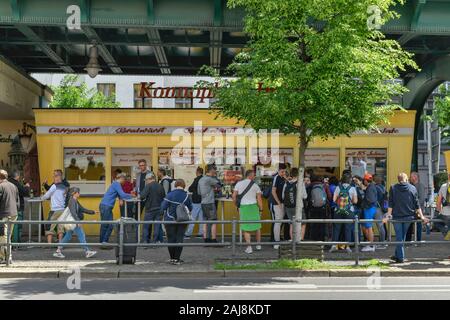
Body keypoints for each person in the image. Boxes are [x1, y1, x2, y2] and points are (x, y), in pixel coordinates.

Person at [383, 173, 428, 263]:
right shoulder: (413, 188)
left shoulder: (393, 188)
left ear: (398, 179)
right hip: (409, 217)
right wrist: (422, 216)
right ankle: (397, 255)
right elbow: (417, 204)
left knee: (399, 237)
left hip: (397, 217)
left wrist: (388, 216)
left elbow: (390, 203)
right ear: (406, 179)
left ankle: (401, 258)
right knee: (401, 237)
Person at [53, 187, 97, 259]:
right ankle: (87, 251)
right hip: (74, 221)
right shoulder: (72, 201)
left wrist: (92, 212)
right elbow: (73, 212)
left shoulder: (75, 201)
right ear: (75, 193)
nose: (79, 194)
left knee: (68, 236)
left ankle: (58, 251)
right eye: (78, 192)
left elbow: (82, 209)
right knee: (81, 235)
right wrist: (77, 221)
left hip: (73, 221)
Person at [161, 179, 193, 265]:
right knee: (179, 239)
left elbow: (163, 207)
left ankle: (172, 258)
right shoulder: (186, 195)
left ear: (175, 185)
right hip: (182, 220)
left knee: (171, 239)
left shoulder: (170, 194)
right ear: (184, 185)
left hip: (170, 220)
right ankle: (177, 258)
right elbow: (190, 208)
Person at [233, 170, 263, 254]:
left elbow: (234, 196)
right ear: (250, 176)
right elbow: (259, 199)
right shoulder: (256, 185)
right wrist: (261, 209)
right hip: (253, 206)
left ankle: (249, 247)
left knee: (246, 228)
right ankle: (258, 244)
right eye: (254, 175)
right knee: (257, 226)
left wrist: (236, 206)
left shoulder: (239, 184)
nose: (254, 177)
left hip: (244, 207)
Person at [99, 173, 134, 246]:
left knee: (106, 225)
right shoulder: (117, 184)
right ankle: (103, 242)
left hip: (105, 205)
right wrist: (132, 196)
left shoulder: (114, 184)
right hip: (106, 206)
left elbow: (119, 194)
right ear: (122, 178)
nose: (125, 182)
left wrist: (121, 198)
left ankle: (103, 242)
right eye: (124, 180)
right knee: (108, 225)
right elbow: (123, 194)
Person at [329, 173, 358, 253]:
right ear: (350, 180)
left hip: (338, 210)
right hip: (349, 211)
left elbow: (334, 200)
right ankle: (347, 247)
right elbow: (355, 201)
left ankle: (334, 245)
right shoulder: (352, 188)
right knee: (348, 228)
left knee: (336, 228)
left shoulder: (338, 188)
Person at [41, 170, 69, 244]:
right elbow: (61, 197)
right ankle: (60, 243)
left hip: (54, 210)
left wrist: (42, 198)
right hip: (62, 210)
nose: (53, 178)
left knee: (50, 226)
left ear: (58, 177)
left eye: (54, 176)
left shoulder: (54, 186)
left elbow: (47, 195)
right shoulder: (65, 187)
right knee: (61, 228)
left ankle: (49, 244)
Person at [282, 168, 307, 241]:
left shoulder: (286, 183)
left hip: (289, 207)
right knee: (303, 223)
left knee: (291, 224)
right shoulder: (300, 183)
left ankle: (292, 239)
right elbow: (305, 196)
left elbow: (283, 196)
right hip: (298, 206)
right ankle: (300, 239)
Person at [198, 164, 221, 243]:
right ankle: (213, 239)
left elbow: (199, 192)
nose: (215, 172)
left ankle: (206, 239)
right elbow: (219, 184)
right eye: (215, 170)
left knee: (205, 221)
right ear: (212, 170)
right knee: (213, 221)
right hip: (210, 203)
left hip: (203, 202)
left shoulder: (201, 179)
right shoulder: (210, 179)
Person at [140, 173, 165, 245]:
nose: (146, 181)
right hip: (159, 209)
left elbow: (142, 196)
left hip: (150, 209)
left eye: (146, 180)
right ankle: (155, 242)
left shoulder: (148, 186)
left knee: (146, 226)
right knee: (157, 226)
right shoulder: (160, 186)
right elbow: (164, 196)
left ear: (149, 179)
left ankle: (145, 242)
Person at [0, 170, 18, 264]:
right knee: (8, 236)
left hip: (4, 215)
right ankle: (5, 257)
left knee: (3, 236)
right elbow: (17, 200)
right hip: (14, 213)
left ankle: (6, 258)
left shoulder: (1, 186)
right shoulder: (13, 186)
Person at [7, 170, 30, 245]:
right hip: (17, 207)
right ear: (17, 176)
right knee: (17, 225)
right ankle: (16, 242)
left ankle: (13, 242)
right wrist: (26, 187)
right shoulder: (16, 183)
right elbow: (24, 192)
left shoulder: (7, 183)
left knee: (11, 226)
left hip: (8, 207)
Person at [307, 175, 328, 241]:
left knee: (314, 223)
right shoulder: (324, 186)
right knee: (322, 224)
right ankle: (321, 238)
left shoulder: (309, 186)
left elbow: (307, 198)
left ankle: (314, 238)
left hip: (313, 208)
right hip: (322, 207)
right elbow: (329, 196)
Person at [271, 164, 287, 249]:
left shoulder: (283, 178)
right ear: (278, 170)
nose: (283, 173)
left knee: (280, 223)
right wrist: (279, 203)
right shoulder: (276, 178)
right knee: (277, 222)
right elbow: (273, 191)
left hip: (283, 203)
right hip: (277, 204)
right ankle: (276, 242)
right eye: (282, 171)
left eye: (285, 171)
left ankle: (278, 240)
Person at [361, 173, 378, 252]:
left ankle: (371, 245)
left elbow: (370, 199)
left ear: (365, 180)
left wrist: (363, 203)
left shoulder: (370, 188)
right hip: (371, 208)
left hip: (369, 208)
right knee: (367, 227)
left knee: (369, 227)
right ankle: (370, 243)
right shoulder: (372, 186)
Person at [407, 172, 426, 242]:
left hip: (418, 210)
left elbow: (421, 199)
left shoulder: (420, 186)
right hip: (411, 210)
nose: (410, 178)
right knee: (409, 225)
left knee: (418, 225)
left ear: (416, 177)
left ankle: (418, 240)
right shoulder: (410, 186)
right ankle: (407, 240)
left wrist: (416, 209)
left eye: (411, 177)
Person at [186, 167, 204, 239]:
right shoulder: (204, 179)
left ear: (198, 172)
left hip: (196, 201)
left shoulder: (197, 179)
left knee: (193, 217)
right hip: (203, 201)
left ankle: (188, 233)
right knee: (201, 218)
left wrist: (193, 189)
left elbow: (190, 188)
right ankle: (201, 233)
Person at [374, 175, 387, 248]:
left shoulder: (376, 188)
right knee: (382, 225)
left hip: (378, 208)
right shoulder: (383, 187)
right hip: (384, 208)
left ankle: (382, 243)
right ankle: (383, 241)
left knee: (380, 226)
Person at [435, 173, 450, 241]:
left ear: (448, 177)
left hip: (445, 213)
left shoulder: (443, 186)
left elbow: (438, 201)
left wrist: (438, 211)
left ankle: (446, 232)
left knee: (436, 221)